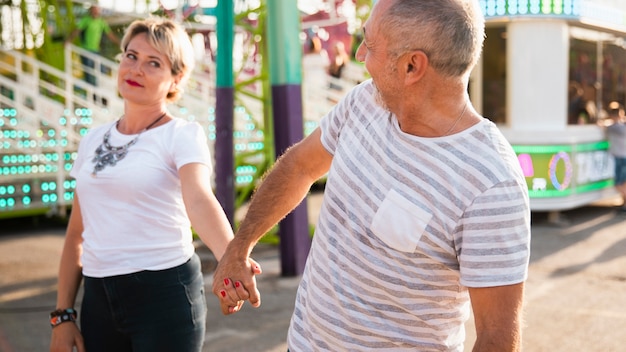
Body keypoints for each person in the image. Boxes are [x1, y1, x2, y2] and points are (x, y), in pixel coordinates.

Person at [213, 0, 531, 351]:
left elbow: (497, 337)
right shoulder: (365, 102)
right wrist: (239, 247)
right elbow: (299, 167)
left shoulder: (492, 183)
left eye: (370, 44)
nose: (360, 53)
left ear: (412, 66)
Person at [50, 18, 259, 352]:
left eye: (153, 63)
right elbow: (77, 233)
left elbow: (199, 200)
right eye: (131, 56)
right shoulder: (92, 140)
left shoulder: (181, 134)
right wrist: (63, 316)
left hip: (164, 295)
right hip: (98, 300)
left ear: (176, 78)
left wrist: (232, 258)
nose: (136, 69)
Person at [66, 5, 120, 86]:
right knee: (89, 73)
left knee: (102, 70)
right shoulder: (86, 20)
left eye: (97, 10)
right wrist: (68, 41)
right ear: (91, 11)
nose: (95, 12)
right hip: (85, 50)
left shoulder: (101, 22)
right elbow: (77, 31)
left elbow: (110, 34)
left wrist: (120, 43)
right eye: (94, 10)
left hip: (95, 51)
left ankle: (99, 91)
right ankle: (91, 92)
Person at [599, 101, 626, 212]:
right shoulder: (621, 125)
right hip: (622, 156)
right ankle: (624, 203)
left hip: (621, 157)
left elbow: (602, 125)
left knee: (618, 183)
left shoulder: (615, 127)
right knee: (622, 182)